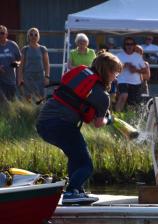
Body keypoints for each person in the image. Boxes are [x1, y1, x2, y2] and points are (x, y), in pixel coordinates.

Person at [36, 51, 123, 205]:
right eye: (115, 72)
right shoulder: (103, 96)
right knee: (86, 165)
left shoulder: (82, 72)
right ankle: (71, 191)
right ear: (107, 71)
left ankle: (77, 191)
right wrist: (108, 120)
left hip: (43, 123)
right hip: (61, 125)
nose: (116, 77)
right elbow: (97, 123)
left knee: (75, 156)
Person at [17, 27, 50, 102]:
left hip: (40, 76)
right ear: (28, 36)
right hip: (28, 77)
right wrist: (20, 78)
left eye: (35, 34)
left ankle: (39, 112)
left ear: (38, 36)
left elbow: (47, 64)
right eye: (31, 34)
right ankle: (29, 112)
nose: (33, 36)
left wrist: (47, 76)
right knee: (28, 97)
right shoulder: (25, 49)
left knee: (40, 97)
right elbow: (21, 66)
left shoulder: (43, 49)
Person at [115, 37, 146, 112]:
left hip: (135, 82)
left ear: (134, 45)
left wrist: (136, 70)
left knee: (132, 104)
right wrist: (124, 66)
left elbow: (145, 70)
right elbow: (114, 69)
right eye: (127, 44)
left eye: (131, 44)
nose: (129, 46)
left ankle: (128, 119)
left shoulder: (138, 56)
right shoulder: (119, 56)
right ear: (124, 45)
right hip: (122, 81)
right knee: (123, 95)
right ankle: (116, 116)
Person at [0, 25, 21, 102]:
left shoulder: (13, 45)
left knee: (11, 103)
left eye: (2, 33)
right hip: (1, 81)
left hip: (11, 80)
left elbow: (20, 60)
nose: (0, 35)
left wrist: (16, 63)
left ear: (6, 34)